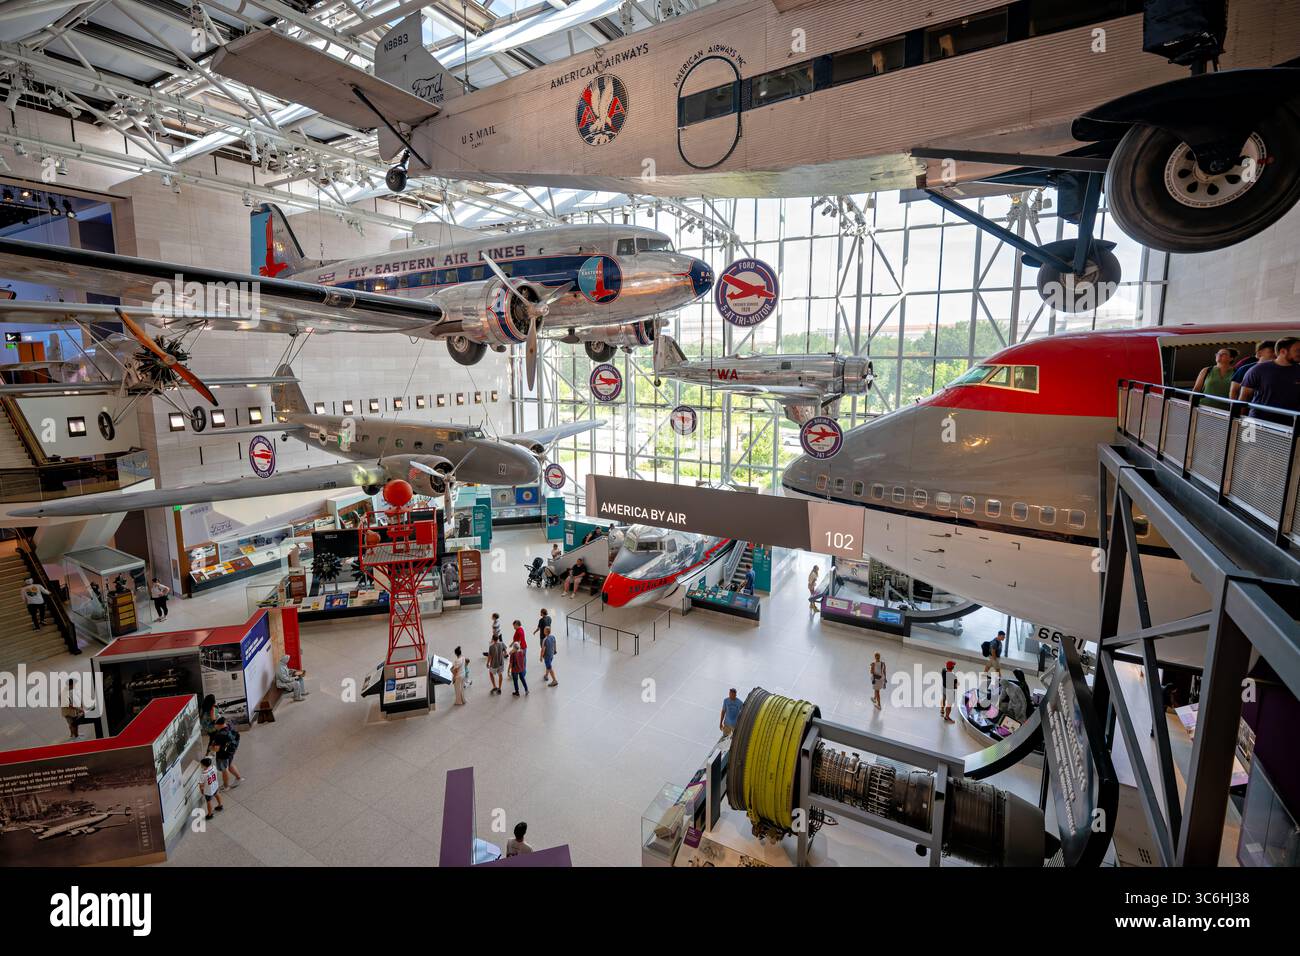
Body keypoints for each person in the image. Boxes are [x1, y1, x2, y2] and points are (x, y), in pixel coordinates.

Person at [1240, 337, 1300, 419]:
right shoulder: (1258, 370)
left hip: (1292, 425)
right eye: (1297, 351)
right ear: (1283, 351)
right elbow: (1244, 398)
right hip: (1261, 423)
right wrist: (1238, 421)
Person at [208, 716, 244, 790]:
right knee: (230, 765)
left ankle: (226, 786)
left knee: (225, 769)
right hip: (231, 751)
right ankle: (239, 778)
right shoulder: (230, 726)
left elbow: (216, 749)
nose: (214, 726)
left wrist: (210, 748)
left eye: (215, 725)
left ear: (218, 725)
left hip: (223, 755)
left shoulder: (219, 735)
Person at [485, 629, 507, 695]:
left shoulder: (491, 647)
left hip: (494, 664)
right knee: (500, 674)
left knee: (491, 673)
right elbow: (505, 653)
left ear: (492, 639)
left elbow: (489, 656)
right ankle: (499, 688)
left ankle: (494, 686)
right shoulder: (502, 643)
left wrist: (487, 663)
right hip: (501, 663)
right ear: (498, 638)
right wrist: (502, 655)